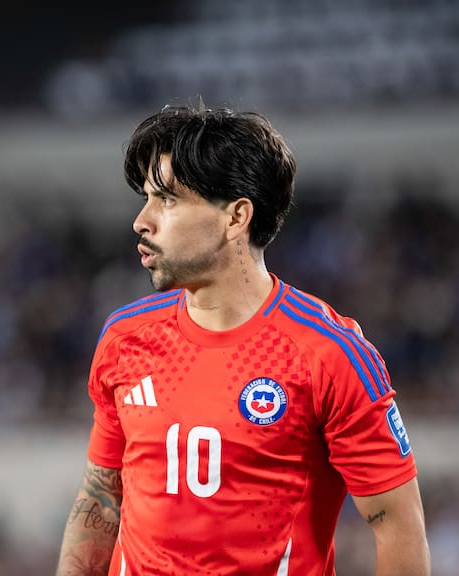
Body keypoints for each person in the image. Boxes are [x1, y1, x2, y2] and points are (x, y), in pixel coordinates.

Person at [56, 105, 430, 575]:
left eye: (166, 199)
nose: (142, 220)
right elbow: (101, 497)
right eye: (146, 198)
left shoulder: (328, 355)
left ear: (236, 217)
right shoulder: (124, 337)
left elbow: (398, 525)